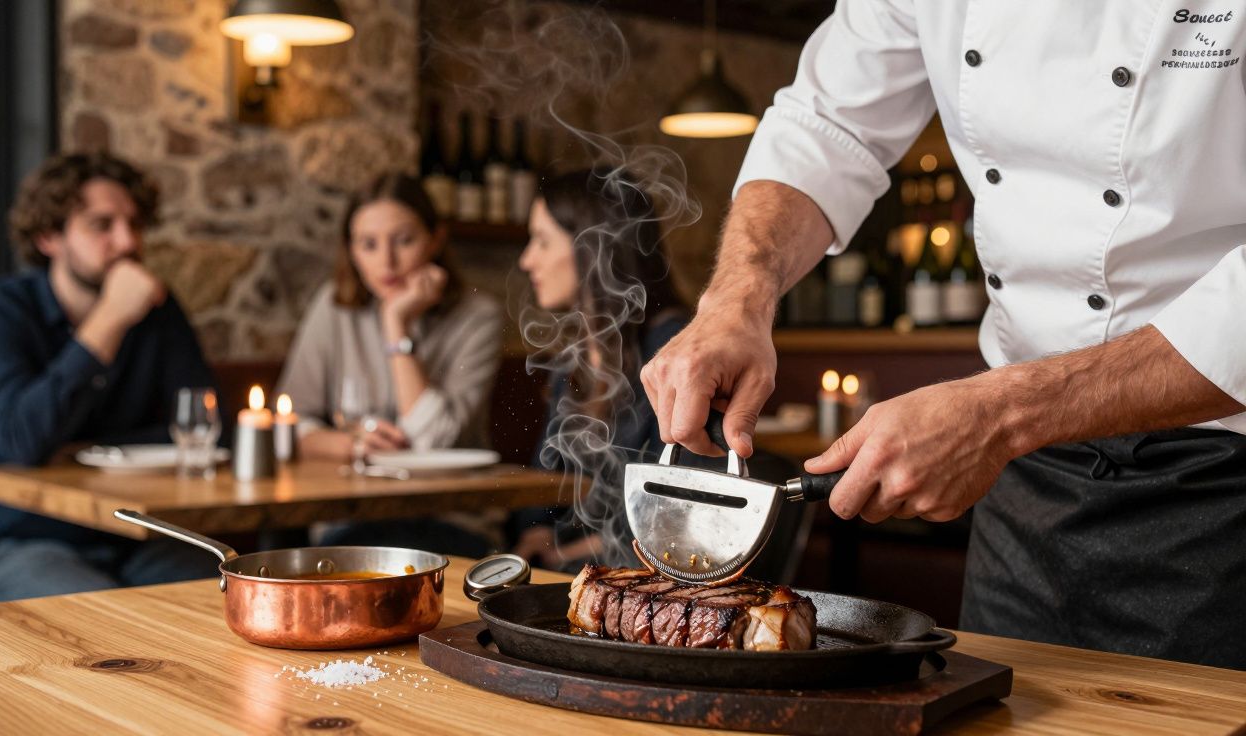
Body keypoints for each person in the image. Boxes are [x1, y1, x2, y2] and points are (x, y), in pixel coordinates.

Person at [640, 3, 1246, 669]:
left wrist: (1000, 413)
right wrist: (737, 297)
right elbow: (829, 123)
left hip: (1225, 489)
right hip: (1027, 494)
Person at [0, 152, 221, 604]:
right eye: (102, 225)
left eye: (134, 223)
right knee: (103, 626)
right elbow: (24, 439)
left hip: (131, 537)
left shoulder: (158, 312)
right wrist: (111, 317)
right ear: (49, 236)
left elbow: (207, 423)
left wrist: (87, 450)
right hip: (11, 540)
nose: (128, 241)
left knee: (226, 598)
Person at [276, 173, 504, 556]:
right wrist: (351, 444)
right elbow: (288, 421)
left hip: (451, 520)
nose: (387, 261)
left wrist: (395, 324)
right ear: (350, 250)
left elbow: (430, 441)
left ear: (435, 239)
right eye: (368, 245)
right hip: (351, 515)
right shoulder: (333, 307)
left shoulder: (478, 317)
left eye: (404, 240)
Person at [509, 169, 690, 570]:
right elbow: (545, 477)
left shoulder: (675, 351)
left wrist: (563, 554)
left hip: (640, 570)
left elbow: (672, 509)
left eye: (542, 240)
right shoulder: (575, 360)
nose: (527, 260)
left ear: (593, 246)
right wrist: (537, 531)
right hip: (566, 563)